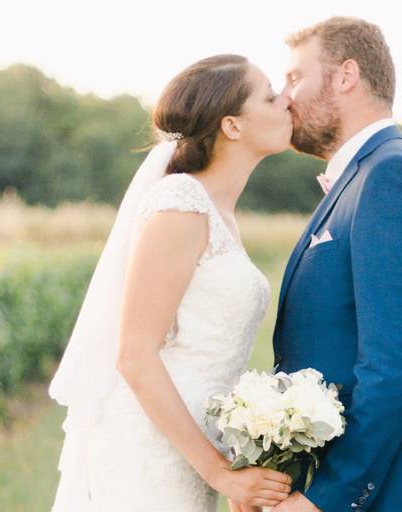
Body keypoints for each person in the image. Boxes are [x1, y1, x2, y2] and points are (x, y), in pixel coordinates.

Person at [49, 54, 295, 511]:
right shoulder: (181, 205)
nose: (287, 101)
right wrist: (220, 473)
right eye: (270, 95)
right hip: (148, 450)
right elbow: (135, 357)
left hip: (190, 450)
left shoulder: (220, 213)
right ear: (232, 126)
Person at [271, 17, 402, 512]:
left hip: (396, 492)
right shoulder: (359, 179)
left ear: (345, 76)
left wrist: (327, 497)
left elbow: (397, 362)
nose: (284, 96)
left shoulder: (392, 174)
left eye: (295, 77)